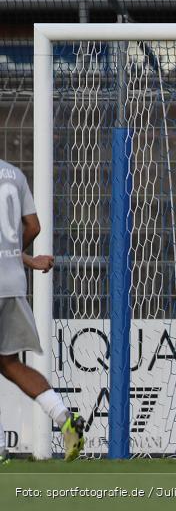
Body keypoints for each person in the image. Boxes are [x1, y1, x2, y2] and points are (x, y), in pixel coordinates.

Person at [0, 159, 84, 463]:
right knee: (8, 362)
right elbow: (33, 226)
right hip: (12, 284)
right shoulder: (14, 174)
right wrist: (21, 258)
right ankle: (64, 418)